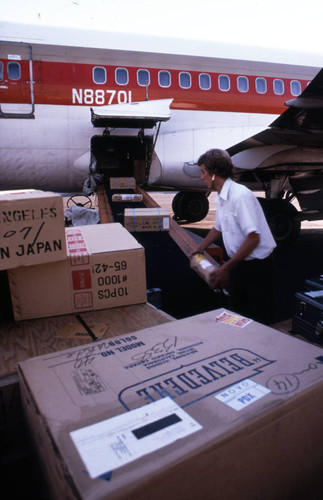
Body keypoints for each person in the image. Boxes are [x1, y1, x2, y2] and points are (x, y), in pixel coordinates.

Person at [192, 148, 277, 325]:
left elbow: (253, 238)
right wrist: (199, 248)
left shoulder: (240, 196)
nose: (201, 177)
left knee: (260, 320)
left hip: (257, 268)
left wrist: (225, 268)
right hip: (240, 264)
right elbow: (218, 228)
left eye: (203, 172)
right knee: (239, 314)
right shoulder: (222, 196)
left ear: (214, 173)